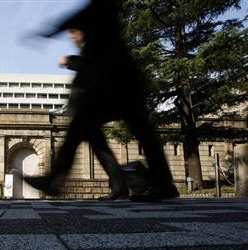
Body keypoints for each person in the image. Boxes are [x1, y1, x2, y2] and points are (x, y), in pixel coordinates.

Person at [24, 0, 179, 202]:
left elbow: (89, 25)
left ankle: (56, 180)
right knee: (128, 131)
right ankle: (149, 185)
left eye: (74, 33)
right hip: (120, 84)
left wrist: (50, 33)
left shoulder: (100, 18)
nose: (73, 37)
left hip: (120, 84)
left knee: (100, 128)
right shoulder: (98, 35)